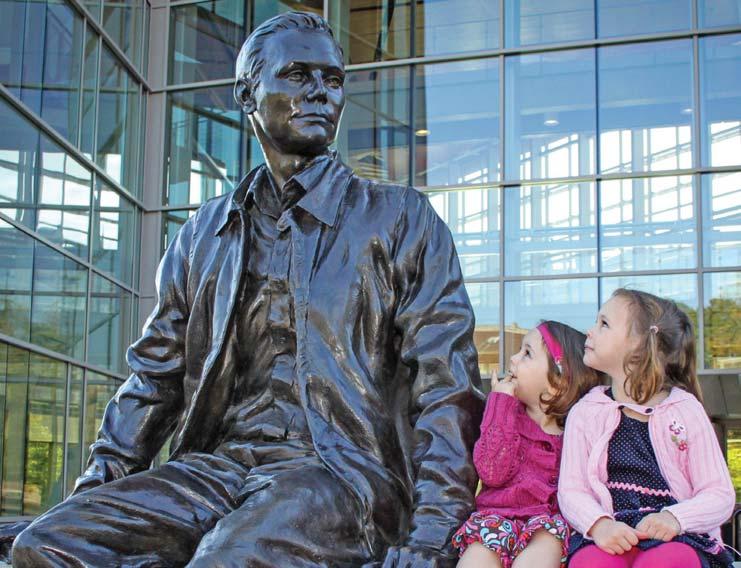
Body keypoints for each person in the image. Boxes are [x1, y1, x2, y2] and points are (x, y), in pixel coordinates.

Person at [11, 11, 483, 567]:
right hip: (217, 469)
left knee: (228, 558)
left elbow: (446, 390)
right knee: (44, 544)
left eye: (333, 80)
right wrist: (95, 494)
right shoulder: (203, 234)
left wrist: (432, 536)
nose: (321, 93)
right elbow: (154, 380)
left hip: (338, 474)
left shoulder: (401, 219)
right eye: (298, 75)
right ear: (246, 94)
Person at [559, 288, 736, 568]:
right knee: (591, 562)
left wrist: (675, 518)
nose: (589, 331)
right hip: (611, 533)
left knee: (668, 560)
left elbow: (720, 494)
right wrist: (599, 524)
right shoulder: (585, 412)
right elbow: (572, 489)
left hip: (677, 536)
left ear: (640, 346)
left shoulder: (685, 410)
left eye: (604, 324)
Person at [453, 321, 603, 568]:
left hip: (548, 525)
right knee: (477, 558)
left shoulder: (575, 431)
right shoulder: (505, 416)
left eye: (527, 353)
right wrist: (500, 403)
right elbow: (491, 472)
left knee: (546, 547)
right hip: (497, 519)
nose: (513, 358)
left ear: (557, 383)